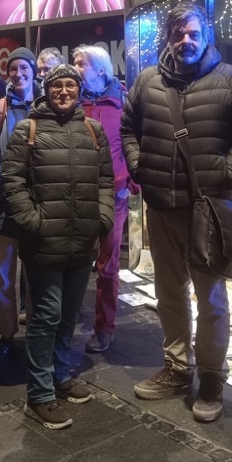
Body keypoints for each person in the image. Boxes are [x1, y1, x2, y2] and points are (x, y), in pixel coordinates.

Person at [120, 2, 232, 423]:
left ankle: (212, 377)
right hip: (161, 207)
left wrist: (225, 173)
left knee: (211, 298)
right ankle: (178, 368)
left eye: (193, 33)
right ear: (168, 38)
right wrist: (139, 167)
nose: (186, 41)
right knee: (169, 293)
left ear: (206, 35)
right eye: (178, 34)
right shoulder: (147, 81)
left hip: (208, 209)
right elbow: (128, 129)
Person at [2, 64, 115, 429]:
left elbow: (106, 181)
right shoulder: (28, 129)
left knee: (68, 315)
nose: (64, 91)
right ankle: (39, 394)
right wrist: (33, 222)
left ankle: (60, 374)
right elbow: (12, 181)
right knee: (46, 316)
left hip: (83, 239)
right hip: (44, 242)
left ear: (78, 90)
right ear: (46, 89)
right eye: (57, 86)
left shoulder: (92, 129)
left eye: (70, 85)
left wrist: (102, 218)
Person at [72, 45, 136, 353]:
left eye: (80, 63)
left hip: (113, 195)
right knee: (73, 260)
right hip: (77, 195)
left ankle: (104, 328)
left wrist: (130, 183)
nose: (75, 68)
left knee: (108, 266)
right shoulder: (73, 103)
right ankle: (67, 319)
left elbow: (138, 143)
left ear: (100, 69)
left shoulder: (124, 102)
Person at [0, 46, 41, 362]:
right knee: (3, 278)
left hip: (37, 205)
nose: (18, 74)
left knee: (38, 275)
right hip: (1, 206)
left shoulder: (45, 107)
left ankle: (38, 334)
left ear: (33, 71)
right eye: (13, 69)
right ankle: (6, 335)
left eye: (24, 68)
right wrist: (6, 187)